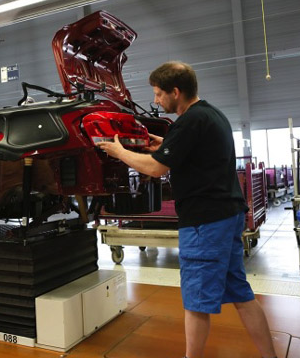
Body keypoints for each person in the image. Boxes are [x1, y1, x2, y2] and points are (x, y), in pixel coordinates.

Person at [98, 61, 277, 358]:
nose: (156, 100)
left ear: (176, 92)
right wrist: (165, 143)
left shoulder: (189, 121)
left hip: (205, 222)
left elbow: (156, 169)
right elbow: (191, 151)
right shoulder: (211, 114)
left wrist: (120, 152)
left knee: (195, 301)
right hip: (228, 214)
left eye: (158, 93)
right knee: (241, 293)